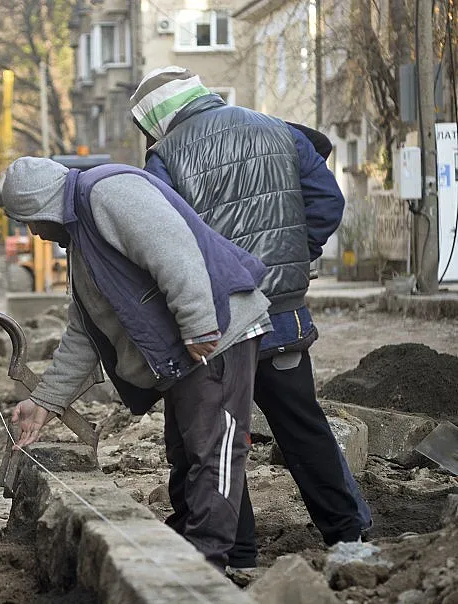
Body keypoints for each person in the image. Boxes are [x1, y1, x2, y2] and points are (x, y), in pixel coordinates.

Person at [129, 66, 370, 571]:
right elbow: (327, 201)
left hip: (215, 326)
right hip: (282, 314)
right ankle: (349, 534)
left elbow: (162, 239)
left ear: (155, 118)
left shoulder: (165, 156)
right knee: (303, 425)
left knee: (217, 435)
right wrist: (294, 254)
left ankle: (238, 551)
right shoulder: (277, 128)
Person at [4, 156, 271, 570]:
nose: (35, 235)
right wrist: (45, 403)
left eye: (31, 223)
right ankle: (189, 548)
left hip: (215, 333)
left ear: (43, 207)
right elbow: (87, 331)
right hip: (185, 348)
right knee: (185, 452)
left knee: (213, 450)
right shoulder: (82, 237)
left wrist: (200, 325)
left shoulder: (107, 194)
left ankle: (204, 567)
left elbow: (174, 251)